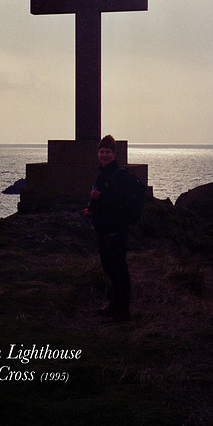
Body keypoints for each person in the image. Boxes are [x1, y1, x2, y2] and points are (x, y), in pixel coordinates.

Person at [87, 135, 136, 323]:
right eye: (101, 151)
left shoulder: (120, 175)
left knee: (119, 268)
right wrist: (91, 209)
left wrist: (102, 197)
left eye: (108, 151)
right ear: (97, 153)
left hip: (117, 229)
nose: (104, 154)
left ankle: (124, 311)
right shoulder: (102, 174)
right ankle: (114, 304)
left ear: (114, 154)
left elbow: (123, 202)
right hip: (103, 228)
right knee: (108, 267)